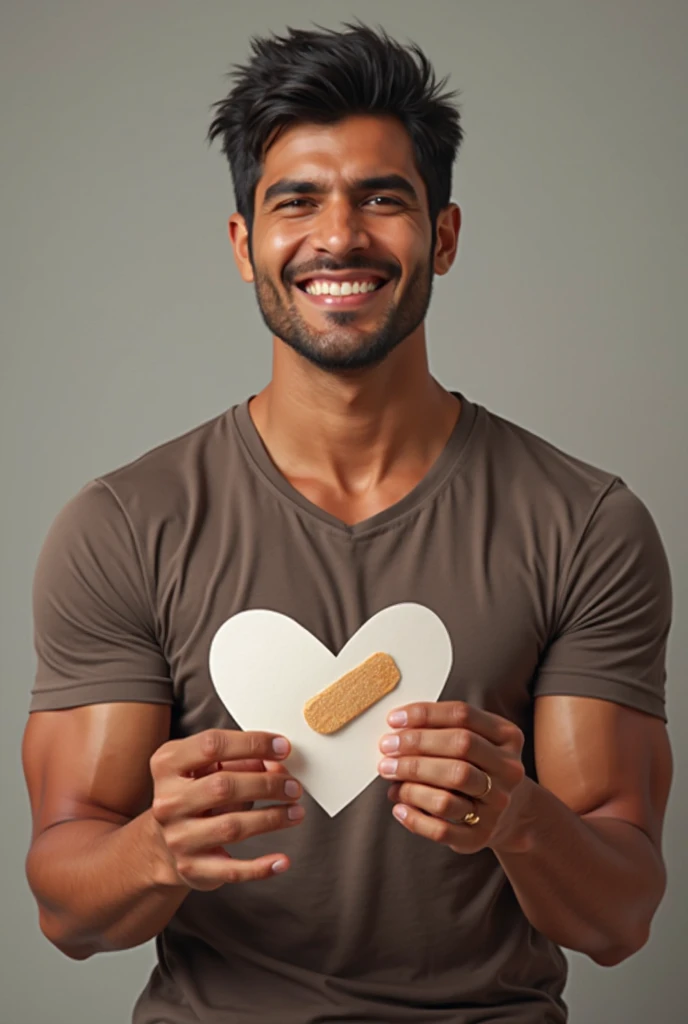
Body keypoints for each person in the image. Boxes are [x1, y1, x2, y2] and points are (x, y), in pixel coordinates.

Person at [22, 21, 673, 1024]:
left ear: (442, 237)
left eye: (382, 198)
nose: (340, 237)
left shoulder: (584, 522)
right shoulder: (124, 526)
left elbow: (619, 919)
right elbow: (67, 908)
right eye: (296, 202)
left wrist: (515, 816)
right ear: (246, 246)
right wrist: (155, 848)